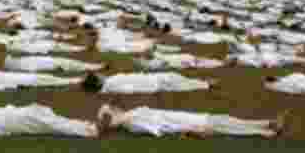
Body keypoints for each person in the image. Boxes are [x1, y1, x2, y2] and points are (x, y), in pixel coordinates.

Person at [98, 105, 286, 139]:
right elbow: (160, 129)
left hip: (188, 118)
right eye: (112, 112)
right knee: (228, 125)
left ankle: (268, 125)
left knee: (229, 122)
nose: (116, 108)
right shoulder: (132, 121)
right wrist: (190, 130)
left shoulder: (133, 116)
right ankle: (267, 130)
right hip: (190, 122)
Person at [81, 72, 215, 94]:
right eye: (98, 76)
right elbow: (129, 90)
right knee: (178, 83)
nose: (100, 74)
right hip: (151, 83)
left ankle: (204, 83)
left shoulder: (109, 83)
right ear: (98, 81)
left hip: (149, 79)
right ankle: (206, 84)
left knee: (176, 79)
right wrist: (148, 88)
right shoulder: (110, 85)